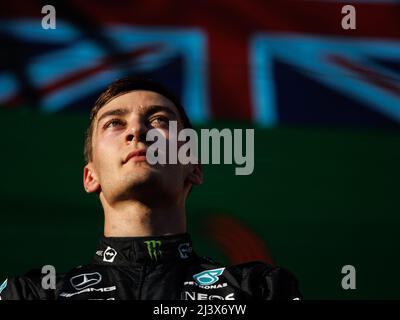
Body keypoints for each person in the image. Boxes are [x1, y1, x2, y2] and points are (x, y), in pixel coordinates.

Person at [0, 78, 302, 300]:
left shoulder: (259, 290)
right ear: (90, 176)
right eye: (114, 123)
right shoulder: (30, 295)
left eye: (159, 120)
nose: (137, 131)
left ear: (194, 168)